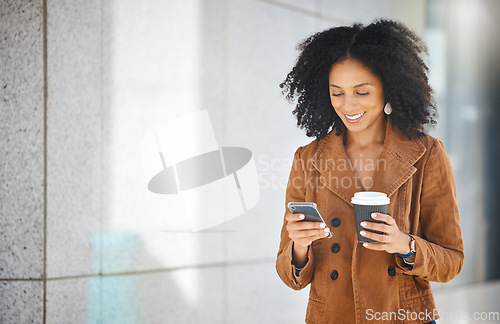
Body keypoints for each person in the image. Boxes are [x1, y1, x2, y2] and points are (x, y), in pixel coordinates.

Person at [275, 19, 464, 324]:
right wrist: (299, 245)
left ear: (389, 88)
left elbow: (452, 261)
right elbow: (290, 275)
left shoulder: (427, 154)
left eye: (361, 92)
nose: (348, 105)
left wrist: (404, 244)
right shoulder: (307, 159)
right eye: (337, 93)